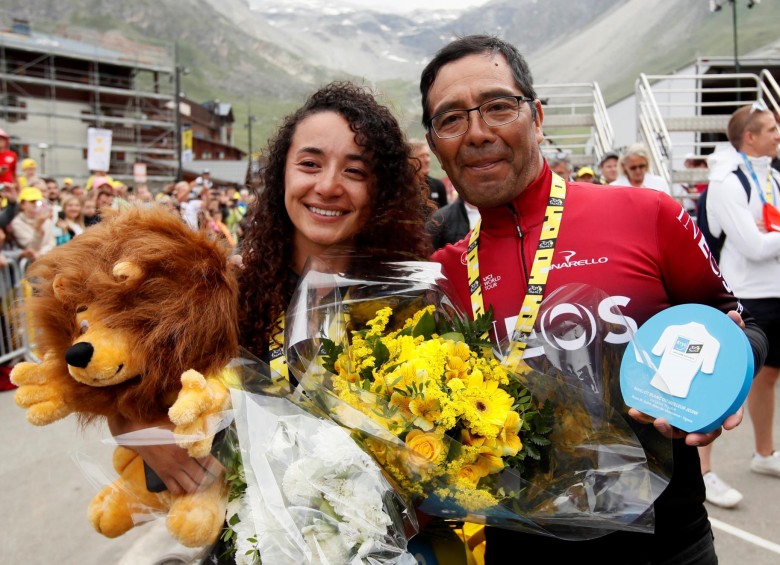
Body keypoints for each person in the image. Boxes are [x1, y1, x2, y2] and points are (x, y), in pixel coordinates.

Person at [420, 34, 767, 564]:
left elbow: (733, 322)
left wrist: (731, 378)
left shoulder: (649, 214)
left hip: (669, 545)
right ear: (434, 143)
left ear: (536, 117)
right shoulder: (439, 278)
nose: (477, 132)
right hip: (519, 550)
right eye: (451, 119)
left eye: (497, 107)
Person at [109, 81, 436, 562]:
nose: (328, 185)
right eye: (310, 163)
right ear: (280, 174)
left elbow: (444, 450)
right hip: (249, 544)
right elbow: (122, 382)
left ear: (381, 188)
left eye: (355, 170)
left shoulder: (411, 299)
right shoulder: (224, 291)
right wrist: (139, 432)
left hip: (382, 547)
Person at [704, 102, 780, 488]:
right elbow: (751, 246)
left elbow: (765, 239)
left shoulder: (774, 175)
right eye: (770, 129)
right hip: (745, 297)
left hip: (777, 290)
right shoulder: (726, 181)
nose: (778, 135)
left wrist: (771, 239)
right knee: (725, 380)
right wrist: (770, 240)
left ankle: (764, 454)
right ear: (749, 137)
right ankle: (705, 473)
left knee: (769, 377)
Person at [10, 186, 56, 261]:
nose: (36, 204)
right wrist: (38, 228)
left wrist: (41, 254)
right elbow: (31, 249)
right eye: (32, 201)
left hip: (47, 260)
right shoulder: (17, 223)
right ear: (22, 204)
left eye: (38, 201)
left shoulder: (46, 220)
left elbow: (52, 243)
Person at [410, 138, 449, 207]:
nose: (427, 160)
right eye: (421, 156)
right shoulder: (404, 187)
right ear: (411, 160)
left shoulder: (438, 186)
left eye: (427, 155)